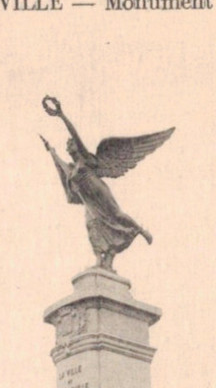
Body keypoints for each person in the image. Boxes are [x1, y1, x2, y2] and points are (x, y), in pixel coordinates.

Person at [40, 96, 174, 270]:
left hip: (98, 191)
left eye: (71, 144)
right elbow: (61, 165)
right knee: (92, 225)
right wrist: (51, 151)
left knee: (116, 215)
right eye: (68, 145)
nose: (69, 146)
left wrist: (61, 115)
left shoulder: (86, 159)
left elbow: (75, 134)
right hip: (88, 200)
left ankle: (141, 231)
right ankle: (103, 260)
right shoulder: (72, 169)